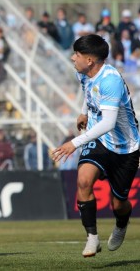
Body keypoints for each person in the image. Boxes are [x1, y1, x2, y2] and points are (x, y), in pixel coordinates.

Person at [52, 34, 140, 258]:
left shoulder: (110, 81)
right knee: (83, 180)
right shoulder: (84, 72)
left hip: (124, 147)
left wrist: (74, 142)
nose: (73, 58)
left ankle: (121, 224)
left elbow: (108, 124)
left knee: (119, 204)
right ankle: (92, 237)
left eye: (77, 55)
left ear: (90, 60)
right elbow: (88, 90)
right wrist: (84, 111)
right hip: (99, 140)